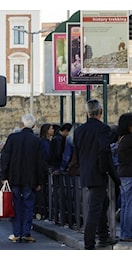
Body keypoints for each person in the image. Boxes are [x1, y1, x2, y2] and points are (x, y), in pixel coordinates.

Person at [73, 99, 119, 250]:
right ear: (100, 112)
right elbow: (104, 151)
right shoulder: (103, 129)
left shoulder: (79, 130)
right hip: (98, 173)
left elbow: (77, 152)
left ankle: (104, 235)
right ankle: (90, 242)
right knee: (94, 209)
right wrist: (110, 173)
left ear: (86, 113)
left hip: (86, 172)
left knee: (102, 203)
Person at [0, 114, 46, 243]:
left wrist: (4, 176)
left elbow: (5, 158)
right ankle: (26, 233)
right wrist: (39, 182)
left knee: (16, 205)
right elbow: (41, 163)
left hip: (14, 178)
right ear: (34, 126)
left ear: (22, 125)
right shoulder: (37, 141)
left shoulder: (13, 138)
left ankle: (16, 233)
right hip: (30, 180)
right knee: (28, 205)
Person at [117, 113, 132, 242]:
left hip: (123, 174)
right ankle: (127, 233)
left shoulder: (122, 139)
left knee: (125, 204)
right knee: (129, 205)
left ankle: (124, 232)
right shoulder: (130, 138)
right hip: (130, 174)